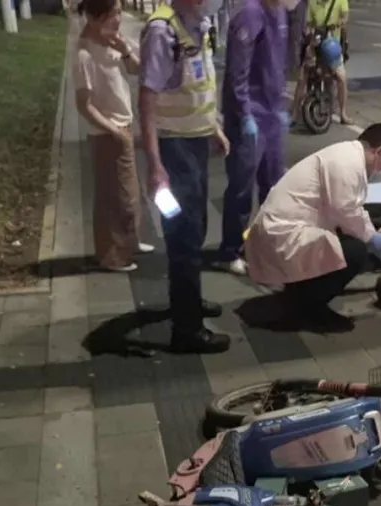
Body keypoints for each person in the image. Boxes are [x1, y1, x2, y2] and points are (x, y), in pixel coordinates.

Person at [139, 0, 232, 354]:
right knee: (184, 235)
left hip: (194, 144)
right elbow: (147, 100)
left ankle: (187, 300)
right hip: (173, 148)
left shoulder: (195, 25)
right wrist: (155, 165)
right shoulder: (162, 31)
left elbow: (198, 85)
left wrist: (212, 129)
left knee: (196, 228)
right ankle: (187, 329)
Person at [244, 123, 381, 332]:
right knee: (355, 251)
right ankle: (308, 307)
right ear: (380, 151)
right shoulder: (346, 164)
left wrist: (371, 234)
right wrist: (372, 239)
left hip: (284, 229)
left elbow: (354, 209)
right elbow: (347, 213)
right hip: (281, 235)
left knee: (349, 240)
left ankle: (300, 291)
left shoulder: (347, 156)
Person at [214, 0, 296, 276]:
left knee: (274, 186)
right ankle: (230, 250)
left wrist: (281, 106)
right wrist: (244, 114)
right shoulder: (250, 14)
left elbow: (276, 67)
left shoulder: (280, 12)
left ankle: (268, 245)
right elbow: (237, 72)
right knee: (242, 186)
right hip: (248, 115)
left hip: (271, 113)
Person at [74, 0, 153, 272]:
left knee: (130, 193)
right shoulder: (84, 54)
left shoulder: (112, 42)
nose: (118, 19)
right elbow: (83, 105)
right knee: (115, 198)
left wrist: (125, 50)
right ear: (95, 18)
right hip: (107, 134)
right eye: (112, 14)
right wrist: (113, 130)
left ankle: (130, 242)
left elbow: (136, 69)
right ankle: (111, 256)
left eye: (119, 12)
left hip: (123, 127)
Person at [292, 0, 350, 126]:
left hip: (332, 47)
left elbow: (345, 17)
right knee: (302, 78)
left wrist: (338, 23)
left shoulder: (340, 1)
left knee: (342, 78)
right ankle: (294, 114)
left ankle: (343, 114)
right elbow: (308, 23)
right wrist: (310, 33)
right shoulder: (313, 2)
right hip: (316, 45)